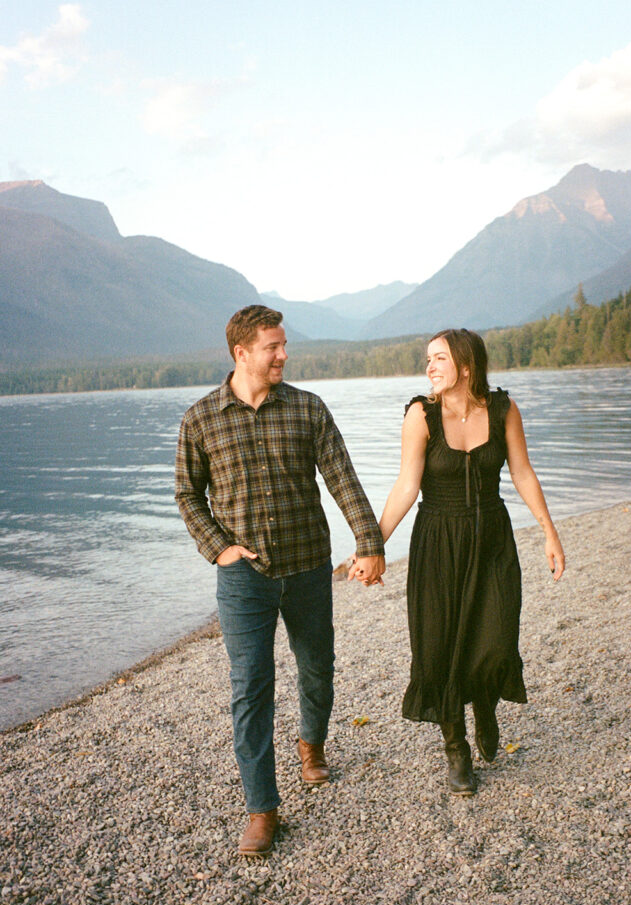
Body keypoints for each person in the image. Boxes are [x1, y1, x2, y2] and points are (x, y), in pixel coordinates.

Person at [175, 305, 385, 855]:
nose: (284, 355)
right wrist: (218, 548)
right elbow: (187, 496)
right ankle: (262, 808)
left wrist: (369, 543)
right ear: (241, 353)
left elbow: (342, 478)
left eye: (284, 344)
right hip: (245, 577)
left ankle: (311, 745)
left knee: (318, 667)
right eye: (273, 346)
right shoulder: (200, 419)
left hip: (310, 566)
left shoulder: (307, 408)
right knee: (251, 686)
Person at [378, 328, 565, 795]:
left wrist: (548, 530)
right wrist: (373, 545)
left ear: (465, 365)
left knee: (496, 637)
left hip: (492, 539)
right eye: (427, 359)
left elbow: (522, 470)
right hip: (437, 542)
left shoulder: (502, 409)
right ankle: (456, 747)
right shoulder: (420, 415)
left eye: (439, 358)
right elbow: (406, 485)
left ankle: (484, 702)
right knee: (439, 646)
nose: (429, 367)